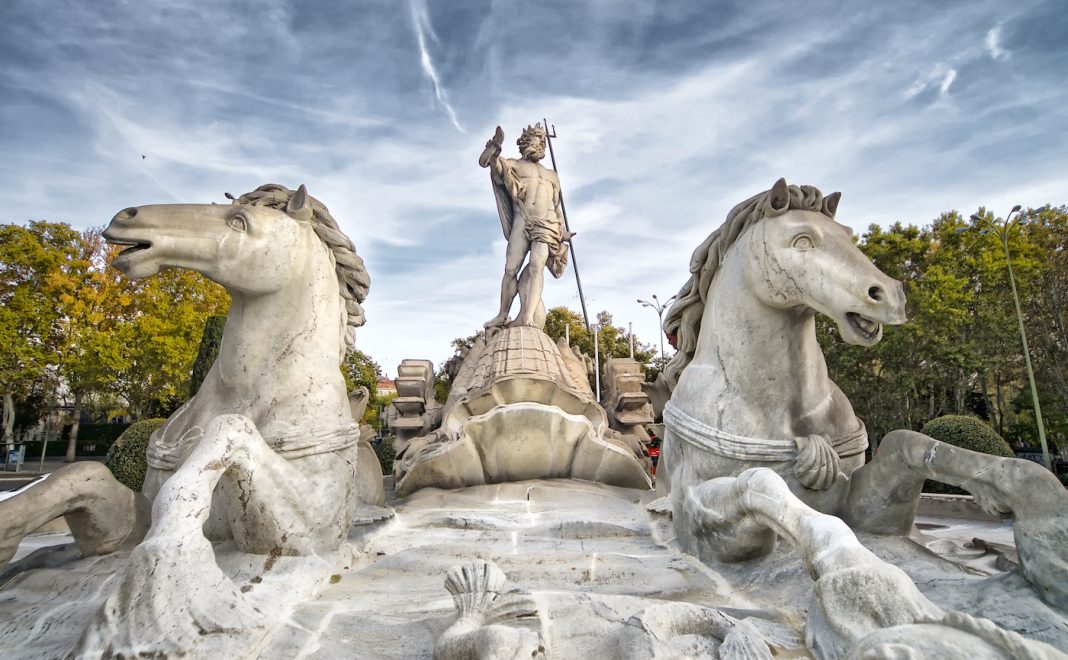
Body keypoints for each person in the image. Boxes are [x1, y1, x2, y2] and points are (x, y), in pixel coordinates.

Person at [479, 123, 572, 329]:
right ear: (524, 143)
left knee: (537, 265)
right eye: (536, 140)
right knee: (511, 269)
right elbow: (486, 163)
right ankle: (503, 314)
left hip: (547, 225)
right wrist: (493, 152)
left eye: (543, 142)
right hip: (523, 220)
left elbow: (556, 206)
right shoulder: (513, 164)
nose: (541, 145)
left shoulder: (552, 175)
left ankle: (528, 316)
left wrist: (562, 229)